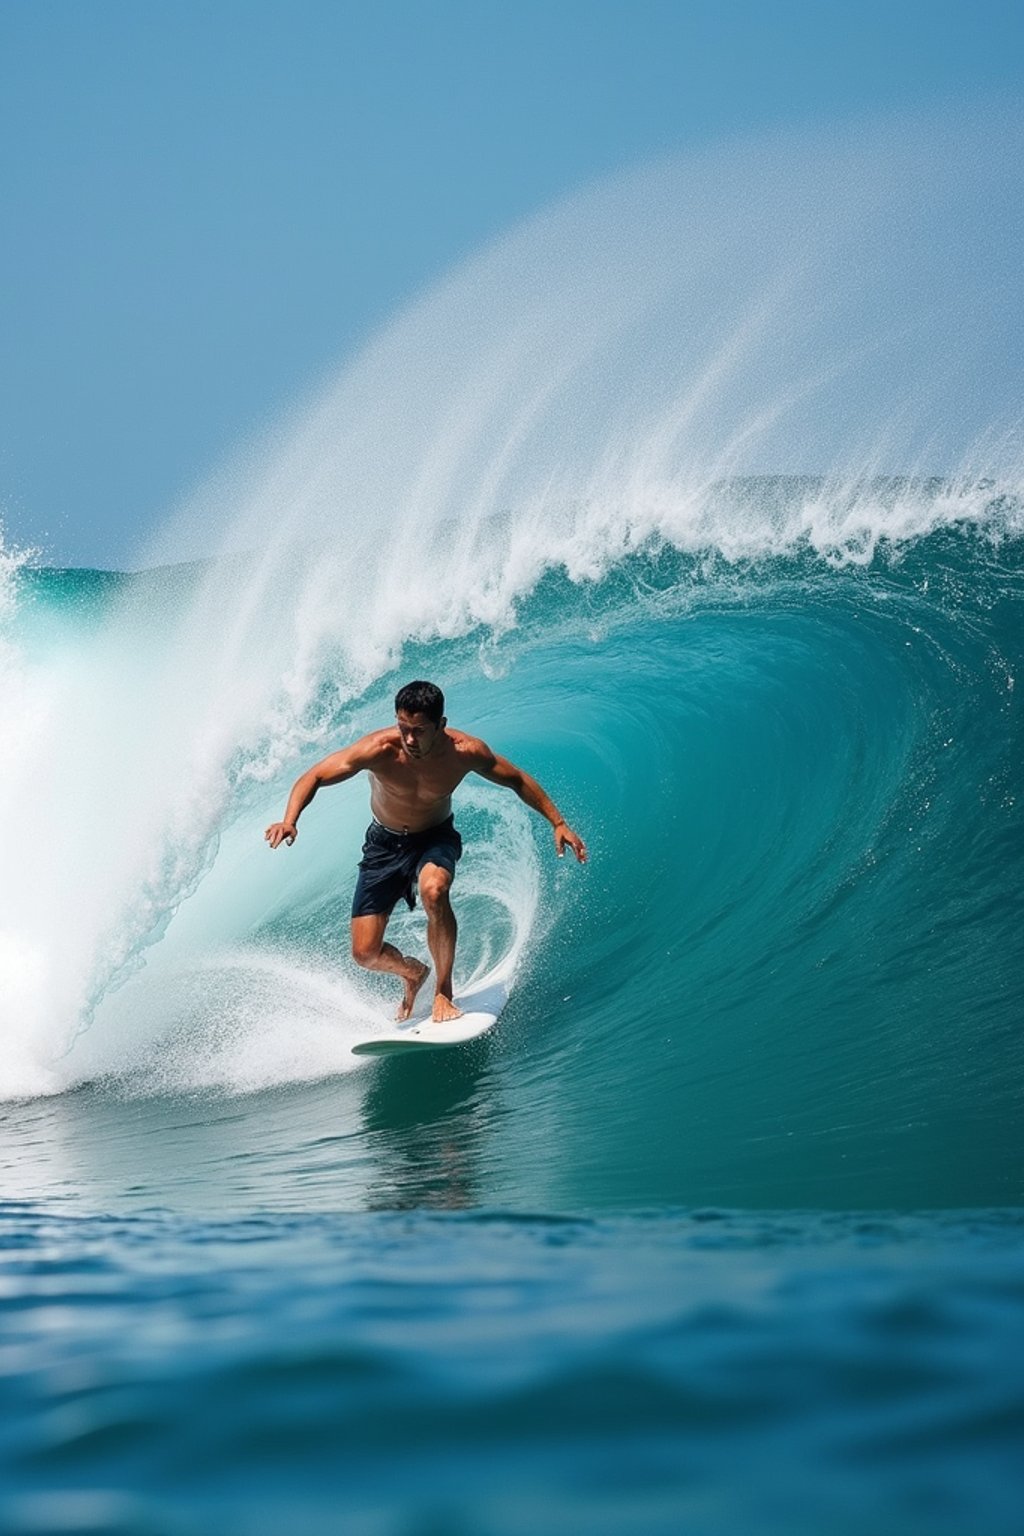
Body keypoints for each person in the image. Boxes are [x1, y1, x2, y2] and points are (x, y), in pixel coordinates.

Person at [265, 680, 587, 1023]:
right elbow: (315, 775)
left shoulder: (466, 752)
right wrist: (290, 820)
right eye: (403, 727)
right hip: (384, 845)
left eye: (419, 731)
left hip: (435, 837)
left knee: (434, 891)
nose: (409, 739)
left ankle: (443, 991)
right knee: (365, 953)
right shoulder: (379, 749)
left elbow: (517, 779)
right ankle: (413, 973)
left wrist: (558, 822)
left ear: (441, 725)